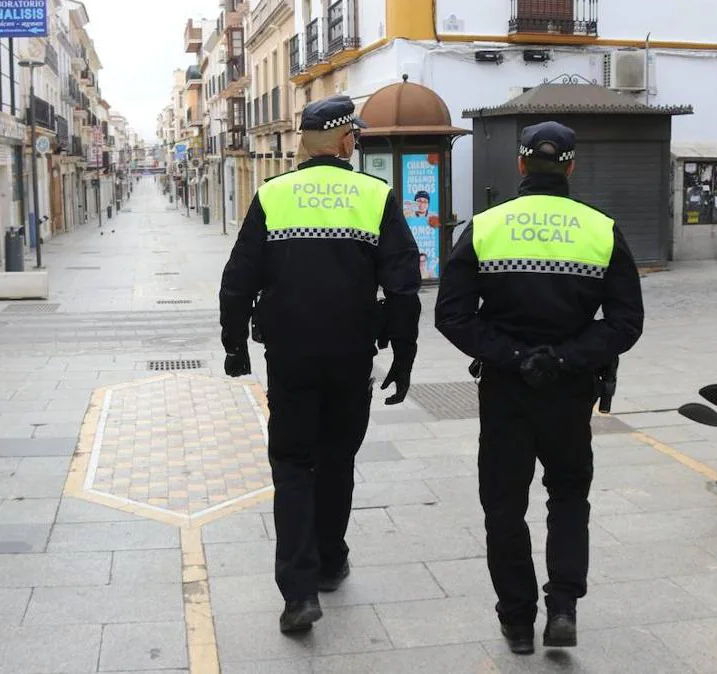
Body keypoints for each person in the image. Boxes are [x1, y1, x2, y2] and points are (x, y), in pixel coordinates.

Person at [434, 121, 644, 655]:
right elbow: (625, 322)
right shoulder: (601, 229)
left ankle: (517, 622)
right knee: (569, 496)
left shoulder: (484, 227)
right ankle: (565, 608)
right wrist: (568, 357)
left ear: (522, 164)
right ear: (571, 166)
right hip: (571, 390)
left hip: (506, 389)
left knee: (504, 504)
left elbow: (452, 315)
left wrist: (514, 356)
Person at [219, 94, 422, 635]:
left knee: (291, 466)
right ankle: (331, 560)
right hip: (352, 356)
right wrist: (404, 353)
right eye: (354, 136)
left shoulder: (273, 194)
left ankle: (298, 594)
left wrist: (234, 345)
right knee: (337, 460)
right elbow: (403, 284)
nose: (357, 143)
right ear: (343, 141)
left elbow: (238, 279)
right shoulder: (375, 196)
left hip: (290, 358)